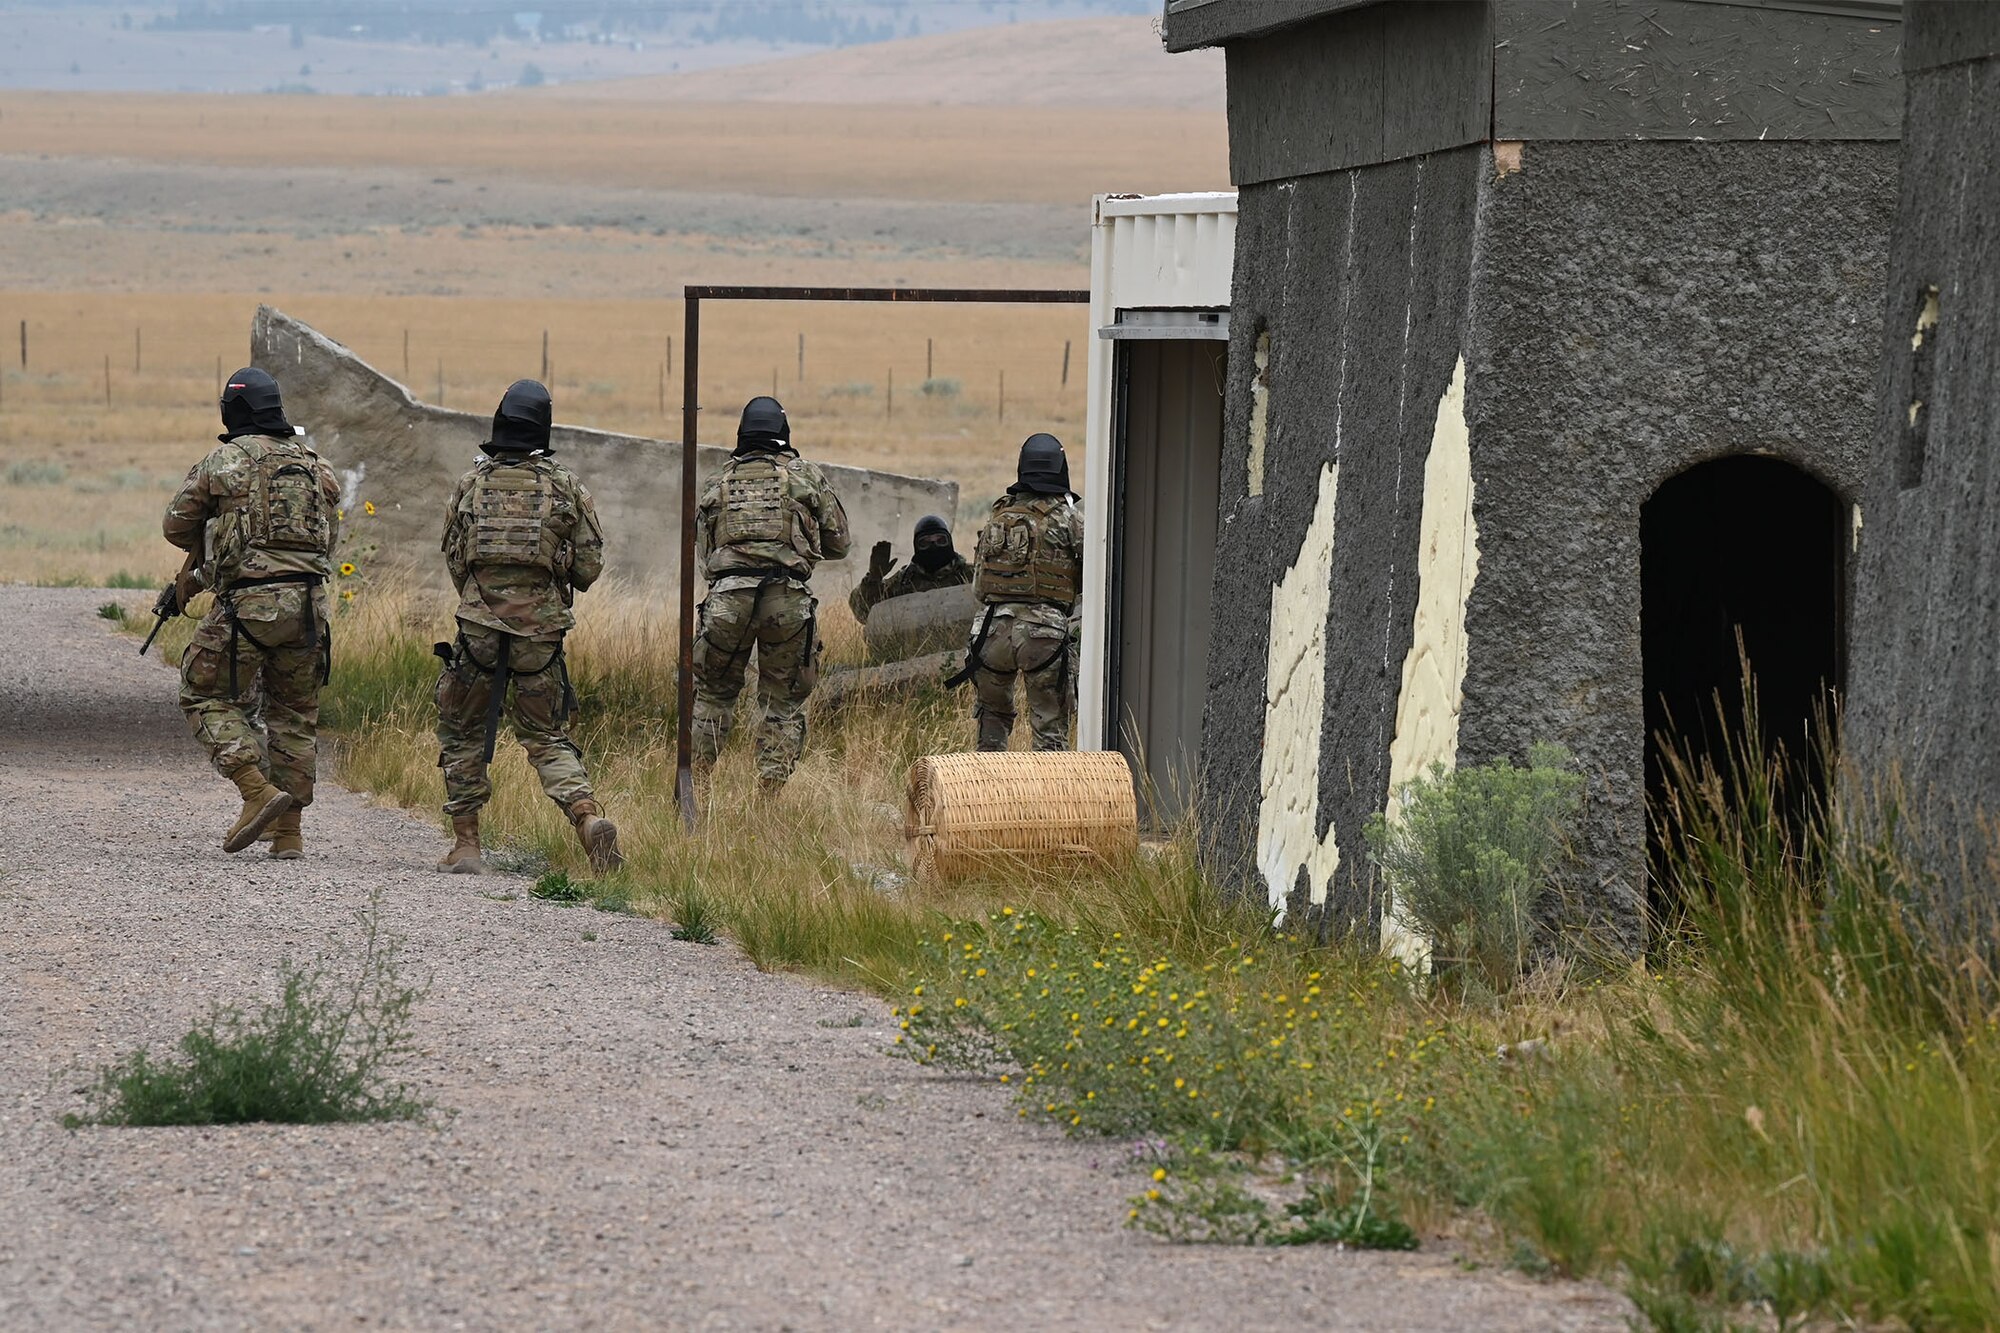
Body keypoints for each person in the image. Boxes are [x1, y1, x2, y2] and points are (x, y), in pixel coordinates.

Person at [434, 379, 621, 875]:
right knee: (546, 735)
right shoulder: (565, 486)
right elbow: (588, 567)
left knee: (461, 731)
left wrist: (481, 599)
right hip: (540, 633)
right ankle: (585, 818)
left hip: (477, 629)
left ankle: (468, 845)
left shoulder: (471, 484)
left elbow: (454, 558)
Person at [163, 367, 338, 859]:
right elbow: (329, 540)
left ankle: (255, 789)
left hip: (247, 607)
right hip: (309, 609)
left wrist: (214, 546)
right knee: (295, 715)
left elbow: (175, 525)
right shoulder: (315, 467)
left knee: (202, 692)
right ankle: (288, 835)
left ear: (232, 411)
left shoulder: (223, 461)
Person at [692, 395, 851, 790]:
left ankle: (694, 785)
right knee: (782, 702)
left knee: (713, 695)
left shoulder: (719, 480)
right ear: (783, 433)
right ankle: (769, 795)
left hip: (728, 599)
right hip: (787, 598)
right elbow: (840, 543)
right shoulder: (804, 475)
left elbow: (704, 552)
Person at [960, 433, 1084, 752]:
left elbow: (979, 586)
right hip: (1043, 634)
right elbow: (1092, 575)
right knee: (1050, 730)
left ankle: (988, 798)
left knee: (992, 725)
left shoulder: (999, 515)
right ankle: (1049, 800)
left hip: (989, 631)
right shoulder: (1068, 518)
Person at [847, 514, 972, 623]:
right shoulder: (904, 581)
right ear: (916, 547)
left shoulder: (970, 576)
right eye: (925, 543)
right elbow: (863, 614)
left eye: (940, 540)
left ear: (950, 542)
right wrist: (874, 577)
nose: (934, 546)